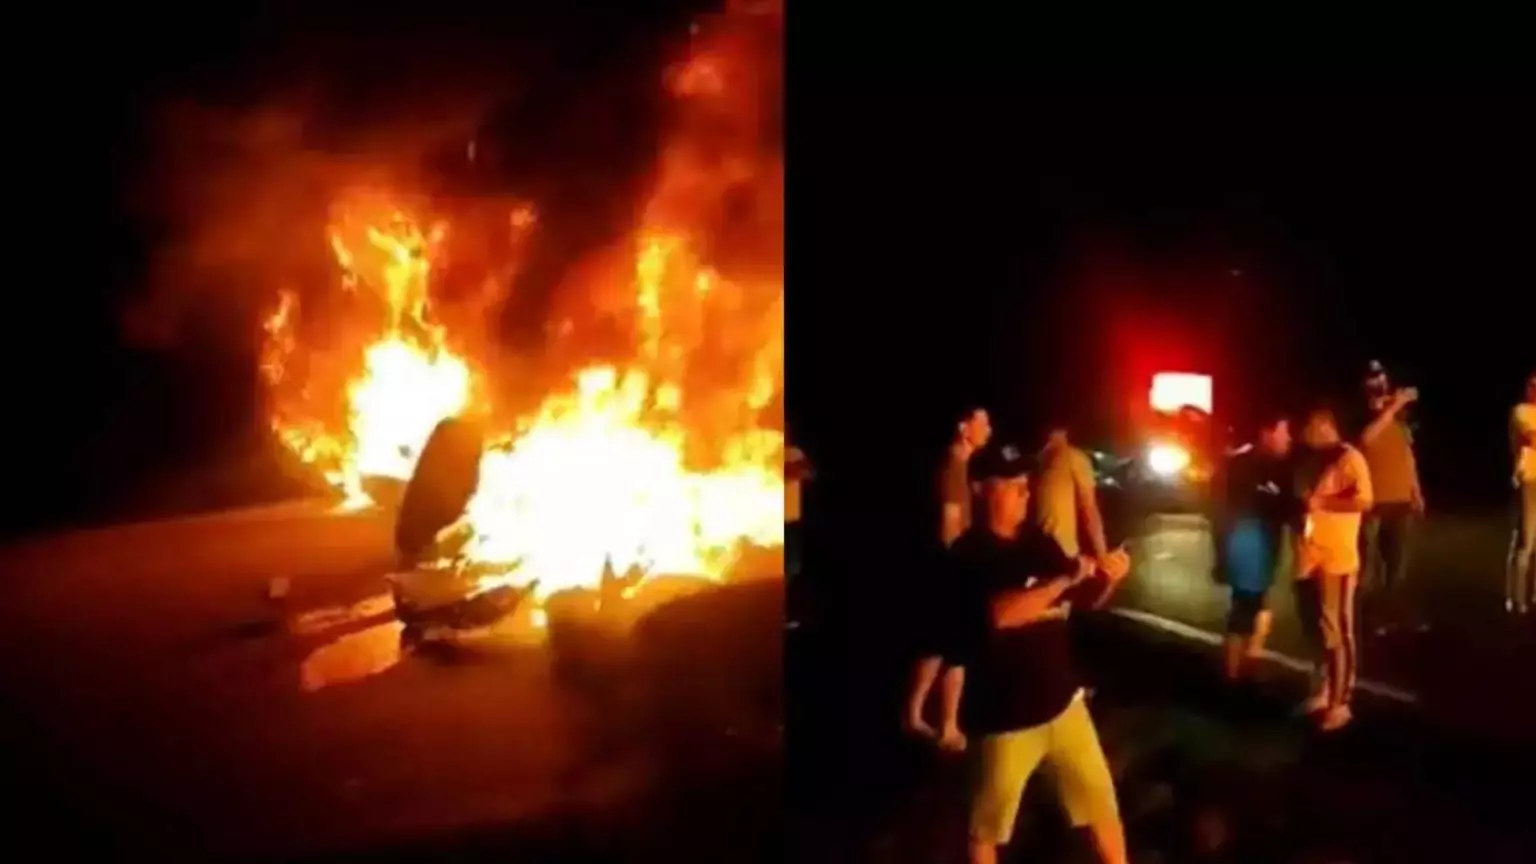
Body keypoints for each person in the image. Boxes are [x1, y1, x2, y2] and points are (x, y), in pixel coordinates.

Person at [940, 446, 1132, 864]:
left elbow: (1082, 598)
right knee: (986, 829)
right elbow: (1001, 613)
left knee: (1101, 806)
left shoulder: (1036, 541)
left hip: (1063, 705)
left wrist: (1107, 579)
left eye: (1025, 484)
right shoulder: (969, 556)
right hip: (1005, 720)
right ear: (980, 488)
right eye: (1012, 485)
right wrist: (1061, 580)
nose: (1024, 493)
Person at [905, 406, 993, 741]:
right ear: (963, 426)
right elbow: (949, 525)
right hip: (953, 568)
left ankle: (913, 715)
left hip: (943, 567)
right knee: (959, 650)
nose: (989, 429)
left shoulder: (958, 464)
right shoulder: (954, 465)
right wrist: (965, 563)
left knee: (936, 645)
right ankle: (949, 725)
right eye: (982, 422)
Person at [1294, 406, 1374, 732]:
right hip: (1309, 555)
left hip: (1337, 558)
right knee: (1316, 629)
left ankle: (1341, 702)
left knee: (1336, 630)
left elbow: (1365, 501)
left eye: (1310, 427)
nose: (1305, 434)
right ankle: (1323, 690)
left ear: (1326, 426)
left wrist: (1323, 504)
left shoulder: (1350, 458)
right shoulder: (1312, 459)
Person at [1211, 414, 1296, 681]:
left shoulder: (1280, 467)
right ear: (1266, 432)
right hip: (1248, 545)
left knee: (1256, 605)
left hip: (1263, 547)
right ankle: (1234, 676)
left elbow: (1286, 507)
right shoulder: (1243, 465)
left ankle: (1245, 667)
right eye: (1284, 432)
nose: (1289, 438)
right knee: (1244, 609)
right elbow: (1226, 509)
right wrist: (1224, 552)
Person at [1358, 361, 1426, 634]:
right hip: (1373, 502)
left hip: (1400, 501)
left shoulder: (1398, 419)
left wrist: (1416, 490)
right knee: (1370, 568)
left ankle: (1396, 614)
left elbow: (1408, 456)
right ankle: (1369, 618)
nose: (1380, 386)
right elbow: (1368, 438)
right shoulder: (1364, 414)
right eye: (1374, 380)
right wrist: (1395, 406)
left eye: (1382, 379)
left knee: (1397, 567)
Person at [1034, 423, 1110, 560]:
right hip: (1062, 553)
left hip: (1036, 552)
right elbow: (1089, 510)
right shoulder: (1075, 458)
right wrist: (1102, 555)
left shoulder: (1037, 462)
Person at [1508, 371, 1536, 614]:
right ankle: (1518, 599)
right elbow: (1531, 437)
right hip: (1529, 480)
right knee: (1526, 541)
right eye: (1533, 385)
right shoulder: (1521, 411)